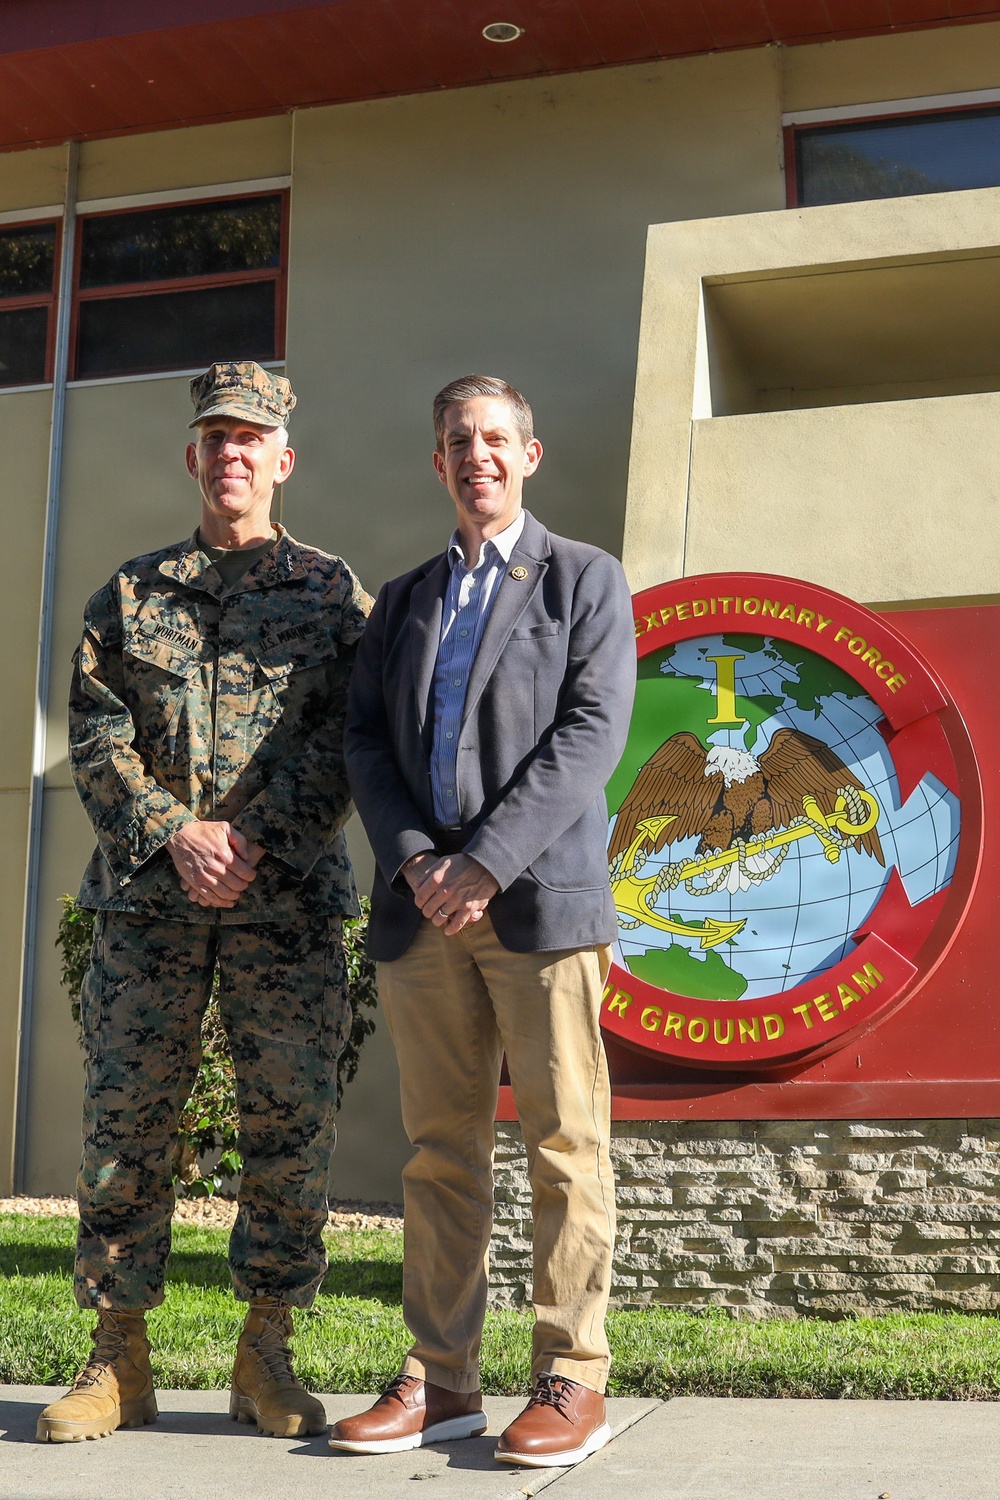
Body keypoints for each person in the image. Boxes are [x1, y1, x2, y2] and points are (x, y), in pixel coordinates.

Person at [37, 361, 372, 1445]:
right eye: (214, 438)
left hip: (286, 906)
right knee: (124, 1127)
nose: (232, 455)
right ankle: (115, 1358)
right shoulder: (130, 595)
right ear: (194, 457)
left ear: (284, 461)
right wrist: (176, 834)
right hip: (150, 904)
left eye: (252, 439)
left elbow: (351, 736)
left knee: (289, 1125)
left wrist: (256, 838)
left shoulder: (331, 595)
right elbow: (93, 735)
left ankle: (265, 1354)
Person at [335, 374, 635, 1468]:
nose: (478, 457)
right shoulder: (406, 599)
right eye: (459, 441)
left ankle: (570, 1374)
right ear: (438, 463)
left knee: (564, 1144)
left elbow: (592, 734)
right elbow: (366, 741)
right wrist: (420, 859)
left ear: (530, 455)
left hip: (538, 908)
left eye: (496, 439)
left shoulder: (584, 580)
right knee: (438, 1153)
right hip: (424, 916)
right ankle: (443, 1376)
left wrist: (486, 863)